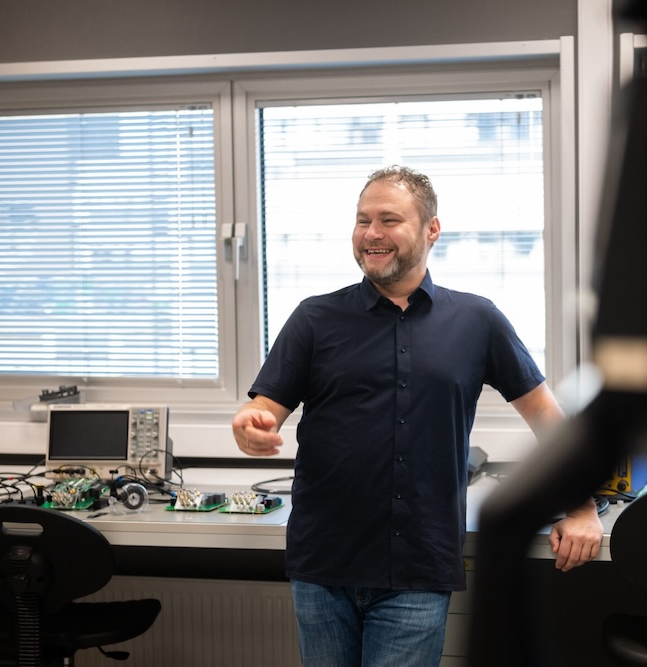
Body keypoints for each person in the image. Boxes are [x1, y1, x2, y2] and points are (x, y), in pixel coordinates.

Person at [231, 165, 603, 666]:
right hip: (323, 564)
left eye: (389, 220)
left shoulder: (478, 320)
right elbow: (263, 410)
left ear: (431, 229)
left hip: (420, 566)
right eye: (363, 221)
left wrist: (581, 508)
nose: (372, 234)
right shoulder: (314, 319)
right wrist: (252, 426)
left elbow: (548, 419)